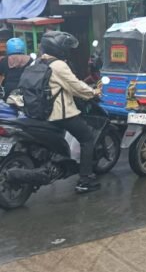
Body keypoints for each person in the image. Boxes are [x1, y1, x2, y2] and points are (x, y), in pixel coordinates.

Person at [40, 31, 102, 194]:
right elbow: (76, 86)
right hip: (60, 113)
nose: (68, 51)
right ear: (58, 48)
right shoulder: (58, 65)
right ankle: (85, 180)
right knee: (87, 138)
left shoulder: (39, 62)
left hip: (41, 113)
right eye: (66, 47)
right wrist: (93, 92)